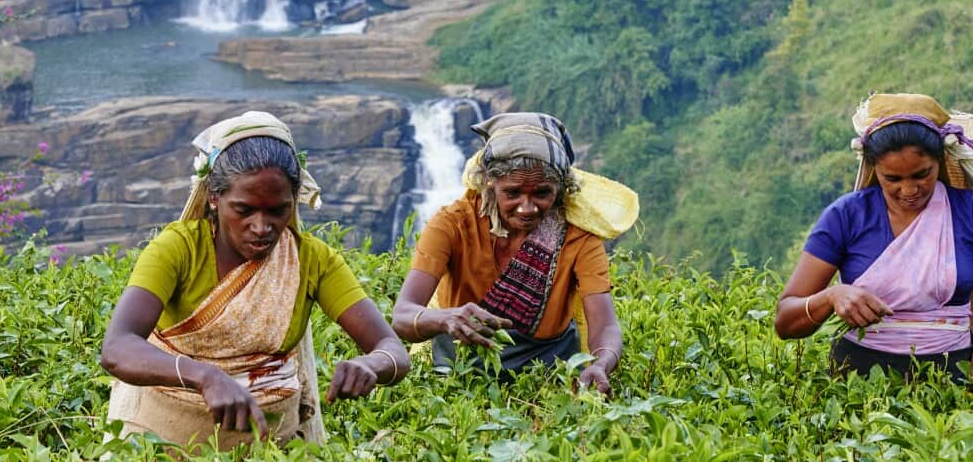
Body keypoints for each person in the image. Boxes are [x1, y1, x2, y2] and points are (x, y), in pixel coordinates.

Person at [101, 111, 410, 451]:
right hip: (162, 443)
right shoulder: (178, 249)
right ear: (214, 199)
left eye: (277, 210)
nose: (262, 226)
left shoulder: (312, 260)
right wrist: (204, 377)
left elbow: (393, 350)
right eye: (244, 210)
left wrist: (371, 365)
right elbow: (118, 347)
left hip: (273, 449)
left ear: (294, 201)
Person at [775, 93, 973, 387]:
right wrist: (831, 297)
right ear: (874, 169)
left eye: (921, 175)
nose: (909, 190)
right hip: (857, 384)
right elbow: (785, 321)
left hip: (953, 380)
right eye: (892, 179)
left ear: (941, 160)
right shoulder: (847, 215)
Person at [391, 112, 637, 393]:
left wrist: (601, 363)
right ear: (489, 184)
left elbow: (604, 323)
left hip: (549, 365)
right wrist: (447, 319)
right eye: (513, 193)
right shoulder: (453, 224)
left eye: (542, 193)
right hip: (462, 364)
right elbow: (402, 315)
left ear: (560, 190)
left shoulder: (577, 237)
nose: (527, 207)